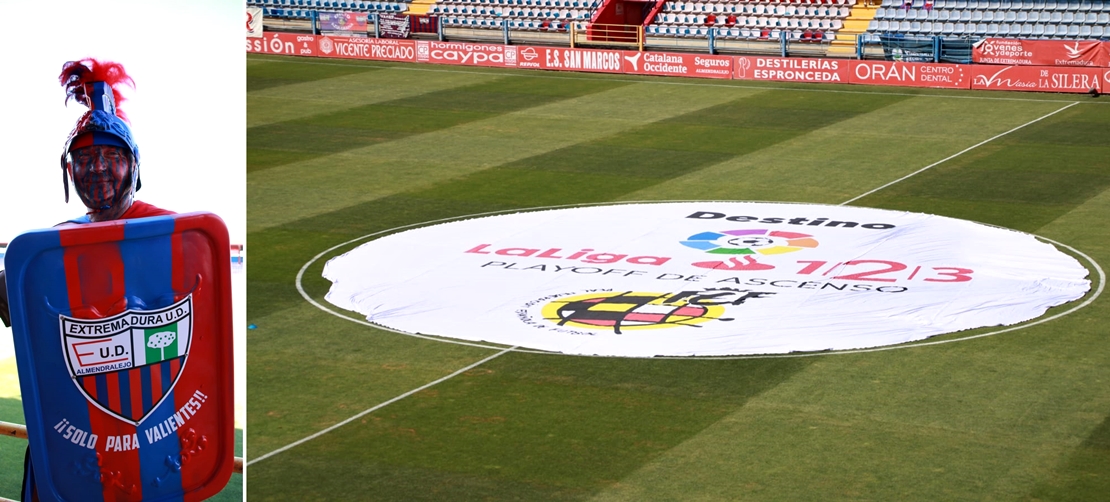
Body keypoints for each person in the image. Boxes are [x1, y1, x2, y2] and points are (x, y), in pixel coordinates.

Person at [0, 57, 173, 501]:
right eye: (85, 158)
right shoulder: (52, 246)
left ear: (135, 165)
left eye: (111, 156)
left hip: (145, 443)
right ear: (67, 171)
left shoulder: (171, 233)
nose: (97, 169)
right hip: (66, 443)